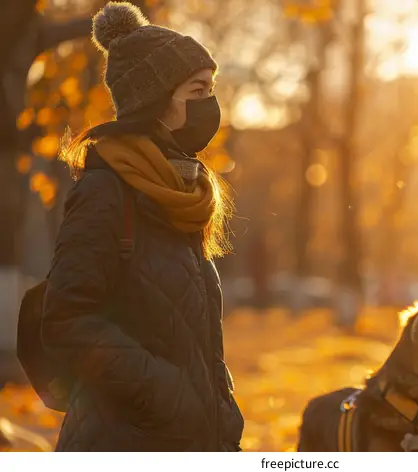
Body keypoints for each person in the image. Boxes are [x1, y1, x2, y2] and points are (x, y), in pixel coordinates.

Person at [40, 2, 243, 452]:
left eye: (211, 89)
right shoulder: (106, 190)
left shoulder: (181, 193)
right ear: (155, 99)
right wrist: (168, 395)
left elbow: (187, 330)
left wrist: (221, 412)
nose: (211, 104)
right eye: (197, 90)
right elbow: (66, 321)